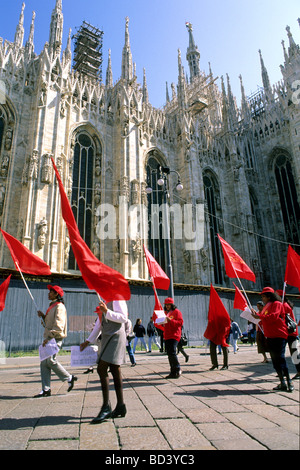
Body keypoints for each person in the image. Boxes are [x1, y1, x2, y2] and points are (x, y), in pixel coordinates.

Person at [35, 285, 77, 397]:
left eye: (51, 292)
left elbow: (59, 325)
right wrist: (43, 316)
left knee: (50, 360)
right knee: (44, 362)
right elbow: (49, 323)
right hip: (49, 337)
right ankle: (46, 389)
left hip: (54, 338)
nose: (48, 294)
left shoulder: (60, 307)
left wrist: (49, 338)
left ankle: (69, 377)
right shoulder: (52, 306)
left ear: (56, 294)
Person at [90, 299, 128, 424]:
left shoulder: (117, 298)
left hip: (116, 335)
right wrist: (88, 341)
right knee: (114, 369)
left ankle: (106, 406)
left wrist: (107, 311)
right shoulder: (105, 299)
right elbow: (99, 324)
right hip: (107, 336)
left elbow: (123, 318)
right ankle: (120, 406)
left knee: (102, 368)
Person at [252, 287, 294, 392]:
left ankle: (289, 381)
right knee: (275, 360)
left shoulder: (277, 304)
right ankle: (282, 383)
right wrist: (255, 315)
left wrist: (259, 317)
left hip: (279, 334)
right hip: (269, 335)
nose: (262, 298)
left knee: (280, 358)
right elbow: (263, 318)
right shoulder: (266, 306)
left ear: (269, 296)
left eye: (263, 296)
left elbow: (274, 316)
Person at [276, 290, 300, 380]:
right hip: (289, 332)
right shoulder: (285, 304)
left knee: (293, 353)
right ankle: (282, 371)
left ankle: (298, 371)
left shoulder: (284, 305)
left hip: (290, 333)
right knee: (283, 352)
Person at [163, 297, 184, 378]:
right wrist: (160, 322)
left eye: (169, 305)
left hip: (175, 335)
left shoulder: (176, 312)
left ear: (172, 304)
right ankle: (172, 371)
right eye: (166, 305)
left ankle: (177, 368)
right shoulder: (164, 313)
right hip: (167, 335)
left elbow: (180, 323)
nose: (167, 306)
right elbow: (164, 324)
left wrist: (170, 320)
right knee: (169, 354)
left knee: (172, 352)